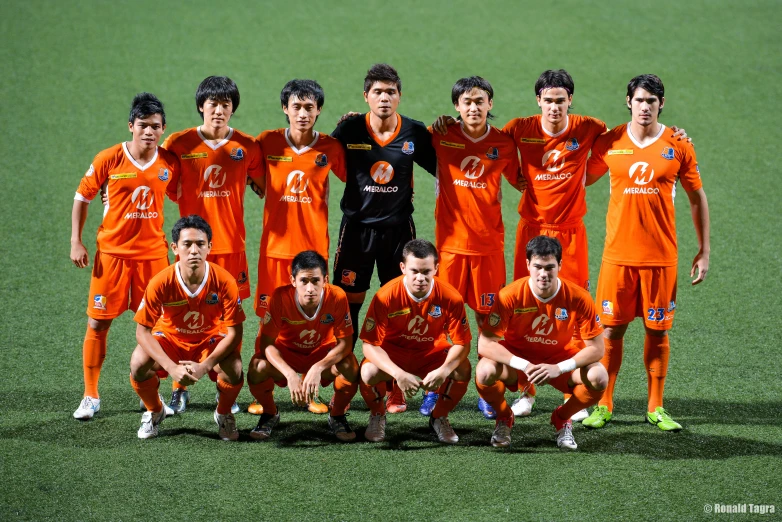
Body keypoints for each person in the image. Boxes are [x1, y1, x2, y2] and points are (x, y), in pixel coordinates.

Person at [583, 74, 709, 431]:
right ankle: (604, 404)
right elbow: (579, 175)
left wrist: (704, 249)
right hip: (617, 257)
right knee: (610, 332)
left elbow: (697, 197)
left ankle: (656, 407)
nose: (645, 107)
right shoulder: (609, 142)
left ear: (661, 104)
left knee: (657, 331)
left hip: (660, 258)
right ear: (628, 102)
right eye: (639, 100)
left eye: (651, 101)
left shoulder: (679, 144)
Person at [332, 64, 438, 414]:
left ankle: (395, 387)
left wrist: (449, 128)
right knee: (348, 307)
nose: (384, 97)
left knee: (399, 309)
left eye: (390, 91)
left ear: (399, 95)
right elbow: (324, 159)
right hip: (357, 230)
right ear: (366, 96)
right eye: (377, 91)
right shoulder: (349, 128)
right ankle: (343, 384)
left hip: (398, 232)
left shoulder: (415, 133)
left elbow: (444, 166)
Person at [70, 92, 178, 420]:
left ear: (163, 129)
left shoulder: (169, 163)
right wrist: (76, 240)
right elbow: (82, 197)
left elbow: (185, 197)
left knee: (163, 327)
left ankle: (165, 394)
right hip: (112, 256)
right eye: (143, 125)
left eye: (155, 127)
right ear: (131, 125)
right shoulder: (109, 159)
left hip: (153, 258)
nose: (149, 131)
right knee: (98, 322)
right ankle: (90, 395)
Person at [161, 76, 263, 414]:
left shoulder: (247, 146)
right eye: (212, 104)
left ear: (233, 108)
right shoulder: (179, 143)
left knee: (231, 318)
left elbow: (262, 182)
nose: (218, 110)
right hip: (191, 247)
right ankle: (180, 386)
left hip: (231, 246)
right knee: (184, 315)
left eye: (225, 104)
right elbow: (162, 183)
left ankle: (225, 390)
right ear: (201, 106)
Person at [425, 76, 522, 418]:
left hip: (488, 248)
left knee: (488, 323)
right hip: (450, 248)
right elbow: (398, 135)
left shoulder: (504, 144)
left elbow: (524, 180)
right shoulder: (440, 134)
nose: (473, 107)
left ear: (490, 104)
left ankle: (486, 389)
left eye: (480, 101)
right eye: (467, 102)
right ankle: (437, 389)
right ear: (456, 106)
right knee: (440, 322)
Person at [249, 79, 347, 415]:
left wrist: (351, 126)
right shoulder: (267, 142)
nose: (302, 113)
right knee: (267, 319)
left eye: (309, 107)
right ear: (285, 108)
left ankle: (312, 389)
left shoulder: (331, 147)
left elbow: (357, 176)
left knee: (316, 320)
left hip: (312, 254)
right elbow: (248, 174)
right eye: (296, 107)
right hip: (274, 250)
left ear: (319, 110)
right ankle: (263, 392)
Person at [476, 236, 607, 450]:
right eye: (537, 266)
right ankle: (504, 417)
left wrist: (559, 368)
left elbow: (597, 349)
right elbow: (485, 344)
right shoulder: (509, 295)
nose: (543, 274)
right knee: (484, 371)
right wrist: (523, 365)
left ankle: (562, 418)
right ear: (527, 265)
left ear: (560, 265)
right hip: (518, 361)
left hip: (558, 359)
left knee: (598, 377)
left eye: (549, 267)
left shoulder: (579, 297)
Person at [130, 215, 246, 440]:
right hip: (171, 339)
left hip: (209, 339)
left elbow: (235, 333)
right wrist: (170, 367)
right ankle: (155, 411)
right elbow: (142, 332)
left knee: (234, 366)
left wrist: (206, 365)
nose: (194, 250)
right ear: (175, 248)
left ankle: (223, 415)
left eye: (200, 244)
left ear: (209, 247)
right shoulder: (160, 282)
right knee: (138, 363)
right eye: (187, 244)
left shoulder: (225, 281)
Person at [359, 239, 471, 444]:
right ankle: (377, 414)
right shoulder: (385, 296)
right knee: (368, 372)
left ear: (436, 268)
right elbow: (369, 345)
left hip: (430, 354)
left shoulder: (451, 297)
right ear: (403, 268)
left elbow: (462, 343)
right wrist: (397, 374)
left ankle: (439, 417)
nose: (420, 278)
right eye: (414, 271)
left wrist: (444, 370)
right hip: (394, 354)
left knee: (462, 368)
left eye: (426, 271)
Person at [247, 251, 359, 442]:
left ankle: (337, 416)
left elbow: (346, 344)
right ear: (293, 280)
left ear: (325, 279)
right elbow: (266, 345)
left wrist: (318, 367)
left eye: (315, 281)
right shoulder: (280, 297)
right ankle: (270, 413)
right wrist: (290, 374)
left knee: (350, 365)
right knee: (258, 366)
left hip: (320, 354)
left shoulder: (337, 296)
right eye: (304, 281)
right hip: (287, 355)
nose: (310, 288)